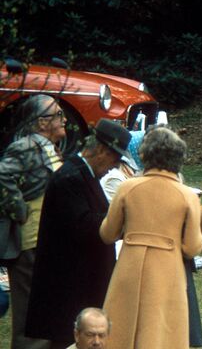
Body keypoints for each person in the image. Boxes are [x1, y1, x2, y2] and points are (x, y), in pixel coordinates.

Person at [25, 119, 131, 348]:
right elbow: (85, 227)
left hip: (82, 283)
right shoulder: (70, 178)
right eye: (115, 159)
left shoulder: (85, 174)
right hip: (69, 288)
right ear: (102, 150)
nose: (115, 167)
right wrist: (122, 222)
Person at [100, 126, 202, 348]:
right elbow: (193, 247)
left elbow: (107, 234)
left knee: (120, 333)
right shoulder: (187, 196)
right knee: (160, 334)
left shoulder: (127, 188)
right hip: (168, 272)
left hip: (129, 268)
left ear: (144, 154)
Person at [0, 94, 66, 348]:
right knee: (32, 320)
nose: (63, 120)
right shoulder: (26, 147)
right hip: (31, 244)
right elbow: (2, 177)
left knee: (48, 314)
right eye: (58, 115)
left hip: (47, 243)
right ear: (41, 123)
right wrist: (20, 211)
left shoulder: (47, 148)